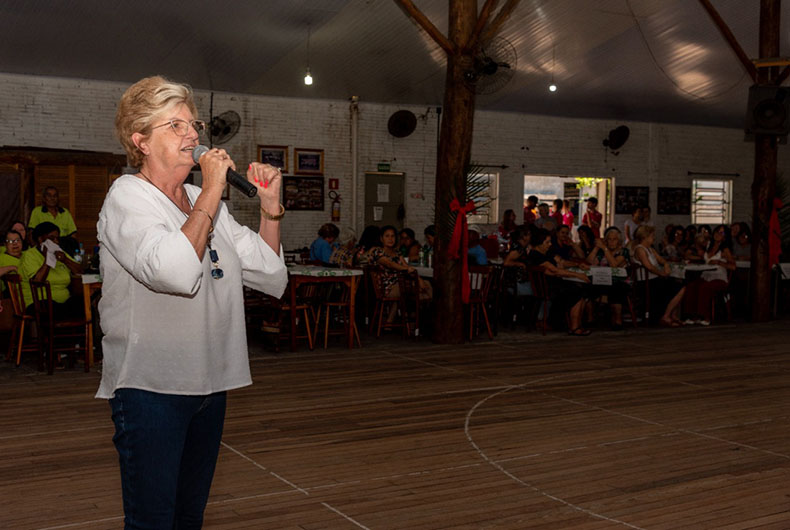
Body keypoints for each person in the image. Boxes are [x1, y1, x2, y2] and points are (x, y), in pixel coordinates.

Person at [97, 75, 288, 528]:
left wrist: (270, 207)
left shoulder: (207, 202)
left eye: (193, 125)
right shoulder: (128, 197)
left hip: (209, 384)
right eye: (175, 125)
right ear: (140, 140)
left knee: (188, 517)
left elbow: (270, 272)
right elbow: (176, 272)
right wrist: (213, 191)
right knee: (153, 520)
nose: (192, 135)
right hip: (150, 388)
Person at [528, 228, 591, 335]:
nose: (549, 244)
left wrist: (577, 264)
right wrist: (578, 275)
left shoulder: (547, 252)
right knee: (577, 291)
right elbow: (555, 270)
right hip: (546, 287)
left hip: (554, 283)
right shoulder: (535, 255)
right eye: (547, 242)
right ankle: (574, 326)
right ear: (539, 243)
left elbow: (562, 261)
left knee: (582, 288)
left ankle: (574, 324)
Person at [19, 221, 83, 316]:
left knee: (83, 302)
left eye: (57, 238)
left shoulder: (59, 252)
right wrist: (48, 259)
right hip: (38, 303)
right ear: (40, 240)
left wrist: (65, 260)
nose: (56, 242)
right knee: (54, 308)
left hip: (63, 303)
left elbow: (80, 272)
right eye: (52, 238)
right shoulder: (29, 255)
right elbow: (37, 282)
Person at [632, 225, 686, 327]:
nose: (654, 238)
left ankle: (671, 315)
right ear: (645, 237)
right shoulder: (640, 249)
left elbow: (661, 260)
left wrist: (666, 265)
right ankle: (666, 316)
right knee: (677, 286)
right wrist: (662, 273)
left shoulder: (650, 249)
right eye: (652, 235)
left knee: (680, 284)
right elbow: (649, 266)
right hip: (646, 282)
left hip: (655, 279)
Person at [683, 224, 736, 325]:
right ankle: (691, 316)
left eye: (722, 233)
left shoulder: (725, 249)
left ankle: (705, 316)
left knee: (704, 287)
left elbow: (733, 266)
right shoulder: (708, 246)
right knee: (691, 286)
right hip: (706, 275)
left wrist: (719, 262)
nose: (718, 234)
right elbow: (696, 248)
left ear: (725, 237)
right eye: (717, 231)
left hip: (719, 277)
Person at [369, 225, 432, 300]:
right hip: (388, 287)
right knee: (415, 287)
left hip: (402, 283)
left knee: (426, 284)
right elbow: (389, 264)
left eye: (393, 236)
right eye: (387, 236)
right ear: (381, 239)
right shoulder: (377, 251)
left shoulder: (397, 252)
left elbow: (406, 265)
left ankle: (426, 306)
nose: (390, 239)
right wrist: (406, 269)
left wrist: (419, 279)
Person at [587, 227, 631, 329]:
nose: (611, 242)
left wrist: (604, 248)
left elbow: (614, 265)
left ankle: (617, 321)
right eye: (609, 239)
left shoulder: (623, 252)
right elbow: (589, 262)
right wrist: (596, 248)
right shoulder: (601, 252)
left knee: (616, 289)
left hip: (619, 282)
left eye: (614, 239)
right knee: (587, 288)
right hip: (602, 281)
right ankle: (590, 319)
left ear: (619, 241)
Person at [28, 186, 79, 256]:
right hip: (42, 251)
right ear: (44, 198)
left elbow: (73, 235)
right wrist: (38, 252)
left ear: (58, 198)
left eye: (55, 196)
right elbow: (31, 234)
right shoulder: (37, 212)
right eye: (49, 196)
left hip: (61, 250)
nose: (52, 198)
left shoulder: (65, 212)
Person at [0, 227, 25, 295]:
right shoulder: (2, 257)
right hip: (14, 296)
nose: (14, 243)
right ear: (5, 244)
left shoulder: (28, 254)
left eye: (17, 240)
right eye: (10, 241)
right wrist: (11, 268)